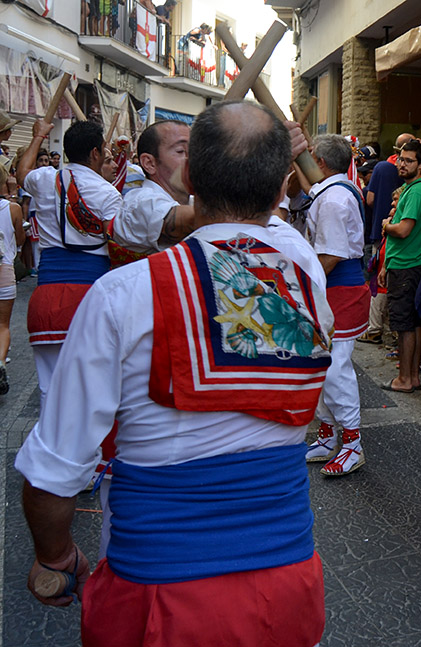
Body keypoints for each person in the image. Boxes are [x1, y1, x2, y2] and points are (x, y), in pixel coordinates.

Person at [15, 100, 330, 647]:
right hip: (288, 588)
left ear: (188, 176)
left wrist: (56, 556)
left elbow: (52, 473)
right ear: (282, 189)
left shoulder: (122, 295)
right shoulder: (305, 283)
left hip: (161, 593)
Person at [16, 119, 122, 411]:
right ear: (95, 154)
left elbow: (22, 172)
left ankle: (50, 447)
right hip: (91, 298)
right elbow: (120, 245)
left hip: (47, 299)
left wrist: (38, 136)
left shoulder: (45, 179)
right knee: (93, 392)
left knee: (50, 392)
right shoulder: (107, 194)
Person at [303, 134, 370, 476]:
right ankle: (329, 434)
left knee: (334, 366)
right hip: (334, 286)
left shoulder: (333, 199)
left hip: (339, 287)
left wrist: (303, 285)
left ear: (321, 162)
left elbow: (330, 254)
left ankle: (352, 442)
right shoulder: (336, 191)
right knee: (319, 362)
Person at [379, 139, 421, 393]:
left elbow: (403, 229)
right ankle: (411, 376)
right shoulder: (411, 188)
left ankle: (405, 379)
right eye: (401, 159)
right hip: (403, 263)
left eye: (409, 160)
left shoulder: (418, 190)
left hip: (408, 265)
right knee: (410, 322)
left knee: (404, 325)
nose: (402, 164)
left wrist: (386, 226)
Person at [109, 120, 194, 261]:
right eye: (181, 151)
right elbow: (190, 219)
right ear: (149, 163)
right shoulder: (141, 202)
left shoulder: (192, 201)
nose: (194, 159)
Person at [0, 173, 25, 394]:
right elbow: (20, 239)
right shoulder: (13, 208)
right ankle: (0, 362)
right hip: (4, 269)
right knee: (3, 325)